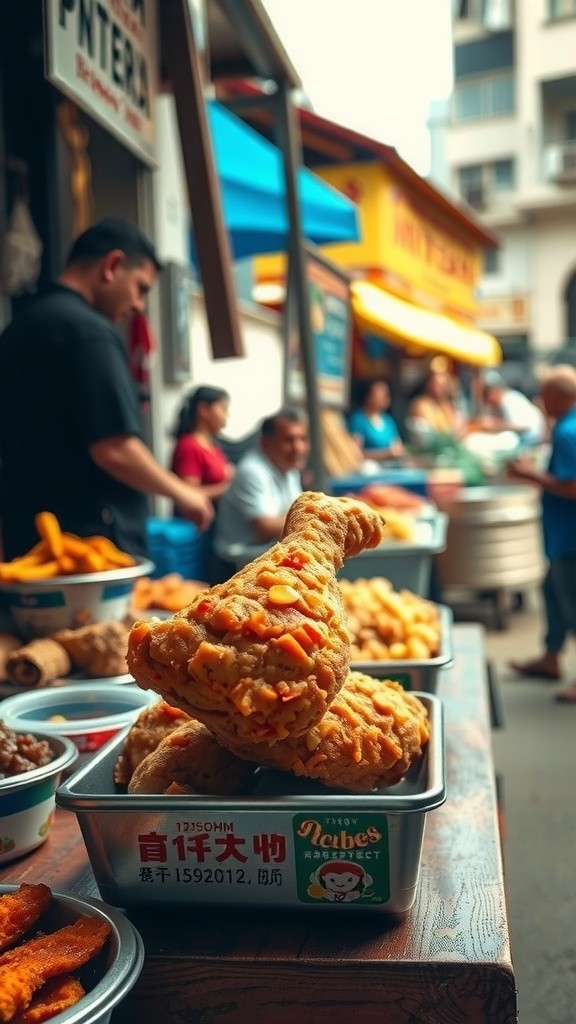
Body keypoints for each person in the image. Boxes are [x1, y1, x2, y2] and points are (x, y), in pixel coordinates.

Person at [0, 217, 213, 560]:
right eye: (141, 287)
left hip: (29, 543)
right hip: (88, 550)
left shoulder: (20, 328)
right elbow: (114, 448)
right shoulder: (88, 331)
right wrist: (184, 494)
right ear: (112, 266)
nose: (139, 306)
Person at [506, 364, 576, 702]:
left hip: (569, 539)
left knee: (571, 603)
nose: (541, 402)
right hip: (563, 536)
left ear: (560, 396)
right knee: (552, 594)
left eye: (545, 396)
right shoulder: (566, 426)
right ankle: (550, 658)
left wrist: (529, 474)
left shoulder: (566, 431)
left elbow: (573, 486)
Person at [213, 406, 309, 569]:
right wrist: (309, 509)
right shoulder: (252, 471)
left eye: (303, 439)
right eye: (289, 440)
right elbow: (266, 528)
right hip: (238, 564)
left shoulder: (289, 468)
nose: (298, 447)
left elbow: (296, 513)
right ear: (266, 443)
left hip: (268, 556)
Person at [170, 385, 234, 510]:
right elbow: (189, 494)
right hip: (196, 525)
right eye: (223, 409)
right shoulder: (188, 446)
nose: (226, 415)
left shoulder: (212, 444)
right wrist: (229, 489)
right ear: (203, 409)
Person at [477, 371, 547, 447]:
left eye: (485, 395)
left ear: (494, 392)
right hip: (526, 440)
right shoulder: (502, 402)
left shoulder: (510, 400)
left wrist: (495, 425)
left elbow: (523, 427)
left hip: (529, 441)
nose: (486, 400)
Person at [347, 379, 406, 462]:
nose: (385, 398)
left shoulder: (388, 420)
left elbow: (397, 446)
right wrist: (385, 454)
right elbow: (355, 453)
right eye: (380, 395)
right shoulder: (358, 419)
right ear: (368, 396)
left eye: (386, 395)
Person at [407, 365, 467, 444]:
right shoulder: (421, 404)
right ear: (429, 384)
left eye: (443, 385)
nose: (439, 388)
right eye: (436, 383)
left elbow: (455, 429)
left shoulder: (446, 405)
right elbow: (432, 432)